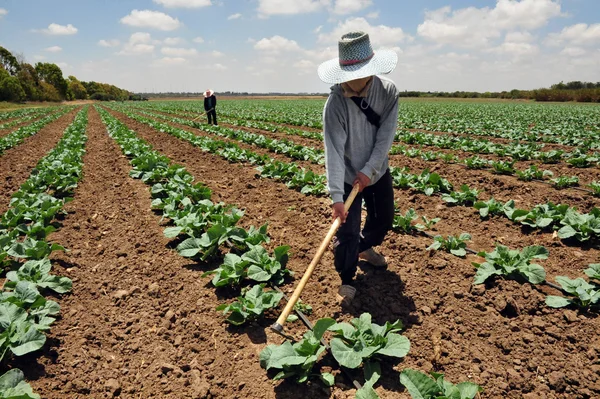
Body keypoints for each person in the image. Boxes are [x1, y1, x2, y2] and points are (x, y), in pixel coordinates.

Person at [317, 31, 399, 305]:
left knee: (383, 220)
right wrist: (337, 198)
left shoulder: (388, 92)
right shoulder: (336, 104)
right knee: (347, 230)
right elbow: (334, 152)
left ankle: (359, 250)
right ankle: (347, 277)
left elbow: (384, 138)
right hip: (347, 175)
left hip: (376, 171)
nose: (354, 79)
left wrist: (369, 171)